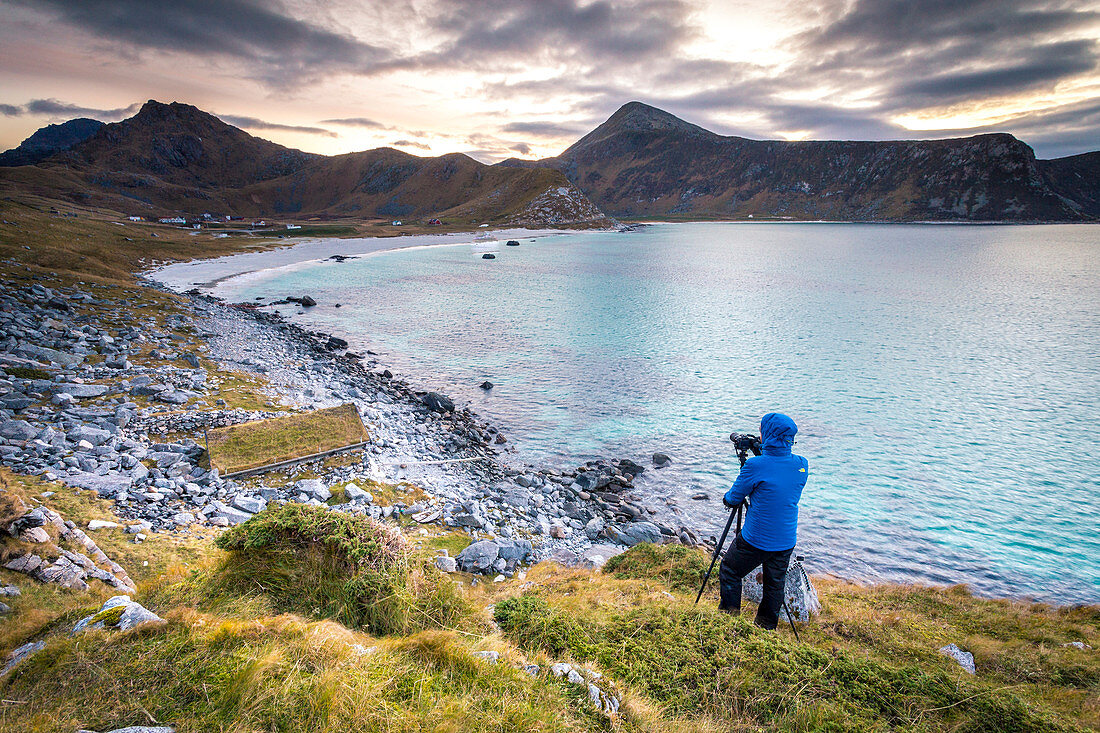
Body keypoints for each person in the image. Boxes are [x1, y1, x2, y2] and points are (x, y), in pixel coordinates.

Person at [718, 412, 808, 629]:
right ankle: (765, 628)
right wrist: (763, 448)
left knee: (730, 570)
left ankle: (728, 621)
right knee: (774, 585)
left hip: (756, 539)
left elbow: (733, 499)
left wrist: (754, 456)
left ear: (766, 434)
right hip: (786, 540)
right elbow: (777, 476)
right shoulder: (802, 465)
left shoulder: (755, 466)